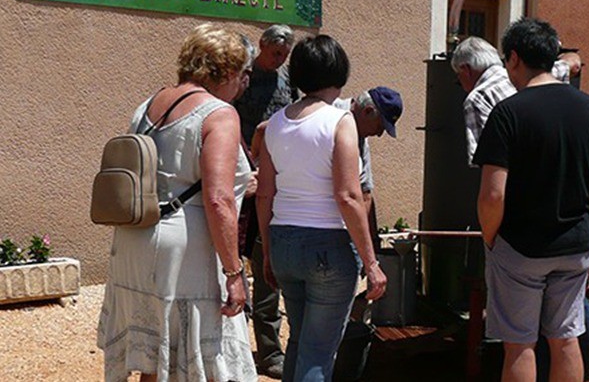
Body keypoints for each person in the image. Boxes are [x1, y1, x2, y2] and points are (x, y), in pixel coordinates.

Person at [452, 36, 589, 381]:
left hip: (522, 247)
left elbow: (492, 195)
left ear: (515, 58)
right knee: (566, 339)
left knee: (520, 345)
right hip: (575, 245)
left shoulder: (508, 112)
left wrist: (492, 240)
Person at [97, 24, 257, 381]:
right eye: (243, 74)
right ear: (227, 70)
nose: (242, 84)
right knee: (196, 357)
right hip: (184, 250)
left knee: (155, 360)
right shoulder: (219, 114)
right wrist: (235, 273)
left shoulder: (148, 105)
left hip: (134, 240)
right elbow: (219, 199)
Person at [256, 34, 387, 382]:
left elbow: (264, 195)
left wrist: (268, 253)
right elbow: (348, 194)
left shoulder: (274, 124)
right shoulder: (340, 121)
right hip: (327, 247)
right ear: (339, 72)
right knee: (318, 353)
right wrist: (372, 263)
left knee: (299, 342)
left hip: (284, 241)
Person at [233, 24, 295, 378]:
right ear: (262, 47)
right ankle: (235, 344)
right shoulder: (243, 78)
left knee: (265, 262)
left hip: (272, 182)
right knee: (230, 262)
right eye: (276, 53)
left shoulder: (288, 81)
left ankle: (270, 351)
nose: (280, 59)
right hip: (239, 178)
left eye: (285, 54)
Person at [451, 36, 581, 166]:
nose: (460, 83)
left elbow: (485, 161)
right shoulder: (528, 76)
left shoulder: (477, 99)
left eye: (458, 77)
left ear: (466, 69)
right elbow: (574, 63)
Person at [333, 87, 404, 243]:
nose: (379, 134)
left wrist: (372, 243)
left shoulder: (361, 138)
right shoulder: (328, 116)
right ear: (367, 111)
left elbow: (365, 194)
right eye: (380, 127)